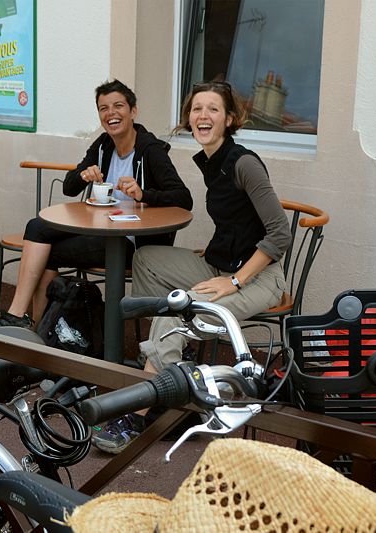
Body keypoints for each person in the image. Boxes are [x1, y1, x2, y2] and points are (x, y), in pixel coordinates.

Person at [91, 80, 291, 454]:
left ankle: (140, 411)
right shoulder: (210, 161)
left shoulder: (243, 162)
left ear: (230, 118)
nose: (203, 115)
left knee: (176, 309)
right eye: (197, 108)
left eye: (213, 109)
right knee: (146, 259)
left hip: (257, 278)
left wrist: (235, 280)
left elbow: (280, 233)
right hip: (219, 266)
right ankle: (171, 367)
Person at [0, 79, 193, 329]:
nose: (111, 113)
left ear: (133, 111)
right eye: (103, 108)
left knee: (48, 254)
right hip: (101, 228)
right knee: (36, 226)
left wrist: (144, 194)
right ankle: (19, 315)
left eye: (118, 105)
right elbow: (69, 186)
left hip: (131, 243)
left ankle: (35, 327)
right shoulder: (104, 145)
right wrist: (83, 175)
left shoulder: (151, 150)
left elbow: (184, 197)